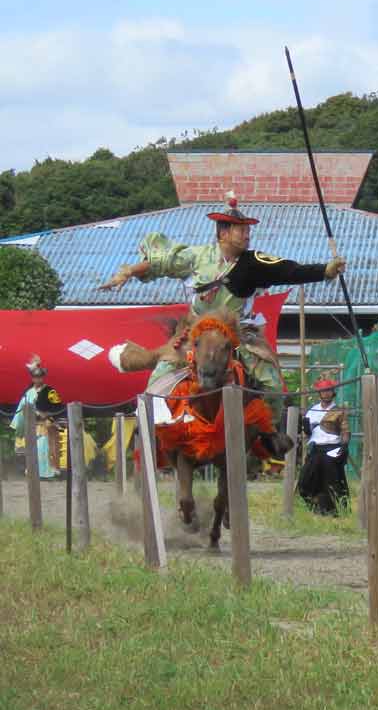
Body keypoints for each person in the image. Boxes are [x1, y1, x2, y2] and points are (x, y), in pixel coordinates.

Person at [99, 192, 346, 403]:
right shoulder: (196, 257)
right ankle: (154, 431)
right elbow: (160, 262)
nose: (247, 234)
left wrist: (325, 270)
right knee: (158, 379)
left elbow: (290, 271)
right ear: (223, 233)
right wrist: (129, 271)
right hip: (195, 331)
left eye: (248, 229)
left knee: (270, 384)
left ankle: (270, 438)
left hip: (238, 333)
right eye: (241, 229)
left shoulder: (254, 262)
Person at [297, 378, 351, 515]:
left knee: (332, 482)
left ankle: (335, 511)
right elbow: (307, 432)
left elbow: (345, 431)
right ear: (319, 393)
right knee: (305, 480)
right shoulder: (312, 410)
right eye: (323, 391)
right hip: (316, 449)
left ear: (333, 392)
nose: (326, 394)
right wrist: (304, 427)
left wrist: (344, 445)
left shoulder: (339, 411)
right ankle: (315, 507)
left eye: (328, 391)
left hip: (332, 449)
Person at [9, 355, 64, 480]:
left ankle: (47, 472)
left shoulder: (50, 391)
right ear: (32, 378)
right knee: (31, 449)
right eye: (34, 377)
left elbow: (58, 407)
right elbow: (22, 406)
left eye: (39, 377)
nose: (37, 379)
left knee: (43, 448)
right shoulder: (28, 392)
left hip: (45, 424)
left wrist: (47, 414)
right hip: (30, 424)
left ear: (43, 377)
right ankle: (32, 471)